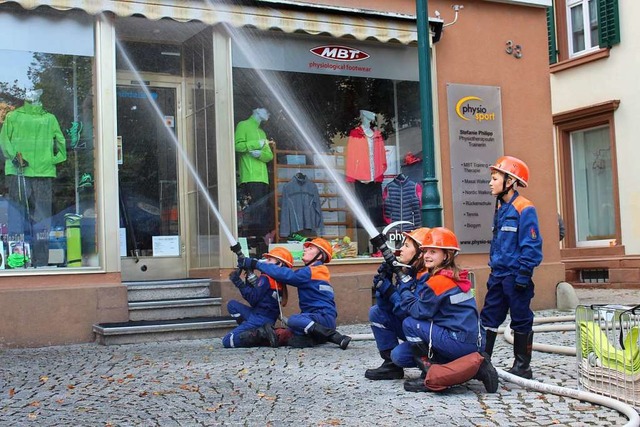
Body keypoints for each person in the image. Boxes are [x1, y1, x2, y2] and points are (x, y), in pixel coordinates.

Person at [395, 227, 498, 393]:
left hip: (458, 341)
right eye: (425, 251)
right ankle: (476, 367)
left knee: (409, 324)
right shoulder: (456, 275)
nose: (427, 256)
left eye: (433, 252)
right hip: (475, 341)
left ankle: (429, 375)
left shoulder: (438, 282)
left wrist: (405, 290)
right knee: (401, 355)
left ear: (447, 255)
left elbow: (418, 311)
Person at [480, 156, 543, 379]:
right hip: (498, 275)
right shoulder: (501, 207)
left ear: (509, 181)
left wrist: (524, 274)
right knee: (487, 319)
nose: (490, 182)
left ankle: (522, 367)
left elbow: (532, 245)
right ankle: (481, 362)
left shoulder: (524, 208)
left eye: (495, 178)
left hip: (516, 277)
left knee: (521, 320)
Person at [238, 237, 351, 350]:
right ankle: (306, 339)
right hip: (317, 320)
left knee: (294, 320)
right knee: (291, 333)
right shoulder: (318, 271)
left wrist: (256, 264)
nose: (305, 250)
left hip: (322, 319)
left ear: (320, 255)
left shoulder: (312, 272)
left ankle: (334, 336)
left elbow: (287, 275)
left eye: (310, 248)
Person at [0, 89, 67, 267]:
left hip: (20, 171)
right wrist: (51, 160)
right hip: (37, 173)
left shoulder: (14, 117)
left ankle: (17, 261)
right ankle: (41, 262)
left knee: (17, 215)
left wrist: (14, 157)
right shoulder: (48, 118)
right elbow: (62, 145)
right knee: (42, 219)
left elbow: (4, 141)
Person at [365, 227, 431, 380]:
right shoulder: (410, 273)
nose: (401, 249)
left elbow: (411, 313)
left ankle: (431, 365)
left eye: (406, 246)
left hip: (428, 337)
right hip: (414, 330)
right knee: (376, 312)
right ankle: (391, 367)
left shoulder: (427, 278)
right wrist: (383, 285)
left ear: (420, 254)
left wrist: (391, 292)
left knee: (399, 355)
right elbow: (385, 308)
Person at [222, 247, 292, 348]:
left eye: (269, 260)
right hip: (260, 314)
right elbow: (257, 300)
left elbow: (253, 299)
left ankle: (259, 335)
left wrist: (239, 283)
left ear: (279, 264)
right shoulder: (276, 280)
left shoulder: (266, 279)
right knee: (232, 305)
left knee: (228, 341)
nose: (266, 261)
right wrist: (248, 281)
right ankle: (249, 331)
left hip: (261, 318)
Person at [345, 110, 387, 254]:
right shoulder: (355, 134)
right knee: (361, 214)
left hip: (375, 180)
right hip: (360, 179)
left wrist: (381, 171)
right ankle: (362, 249)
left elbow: (381, 156)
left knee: (376, 214)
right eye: (369, 116)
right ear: (363, 117)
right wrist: (351, 176)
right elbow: (351, 156)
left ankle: (378, 248)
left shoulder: (377, 135)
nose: (372, 118)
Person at [234, 108, 274, 255]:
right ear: (256, 111)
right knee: (253, 212)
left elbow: (269, 155)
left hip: (263, 177)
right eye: (266, 110)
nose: (269, 114)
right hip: (249, 176)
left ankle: (261, 246)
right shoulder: (243, 125)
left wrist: (260, 154)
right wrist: (256, 144)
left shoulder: (262, 132)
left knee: (263, 212)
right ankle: (252, 245)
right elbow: (237, 146)